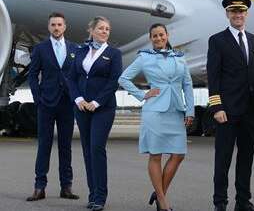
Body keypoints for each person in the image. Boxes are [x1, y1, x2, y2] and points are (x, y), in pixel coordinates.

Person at [118, 23, 195, 211]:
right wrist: (142, 94)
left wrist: (190, 110)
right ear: (150, 38)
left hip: (176, 110)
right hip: (154, 111)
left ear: (167, 35)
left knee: (179, 154)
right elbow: (123, 78)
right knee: (156, 154)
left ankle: (159, 192)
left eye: (161, 34)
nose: (159, 38)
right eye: (155, 36)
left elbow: (187, 85)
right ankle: (162, 200)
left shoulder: (179, 58)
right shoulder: (145, 57)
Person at [206, 0, 254, 211]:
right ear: (227, 14)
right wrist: (217, 107)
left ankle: (243, 201)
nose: (238, 15)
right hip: (227, 111)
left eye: (241, 11)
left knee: (246, 159)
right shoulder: (217, 40)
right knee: (223, 159)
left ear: (246, 14)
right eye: (234, 11)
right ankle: (220, 202)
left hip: (250, 110)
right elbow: (213, 76)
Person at [65, 16, 122, 211]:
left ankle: (100, 196)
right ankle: (92, 195)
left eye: (107, 29)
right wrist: (78, 99)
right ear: (91, 30)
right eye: (101, 28)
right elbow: (71, 78)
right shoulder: (81, 51)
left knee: (97, 148)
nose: (104, 31)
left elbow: (113, 81)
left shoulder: (114, 53)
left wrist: (96, 102)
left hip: (103, 108)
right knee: (87, 150)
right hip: (82, 108)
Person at [26, 12, 80, 202]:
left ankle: (66, 187)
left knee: (66, 147)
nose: (56, 28)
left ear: (65, 27)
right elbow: (32, 75)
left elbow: (78, 75)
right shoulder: (40, 48)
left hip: (67, 104)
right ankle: (39, 187)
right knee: (44, 146)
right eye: (53, 25)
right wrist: (37, 98)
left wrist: (77, 97)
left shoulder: (74, 48)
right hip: (46, 104)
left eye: (59, 25)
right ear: (49, 27)